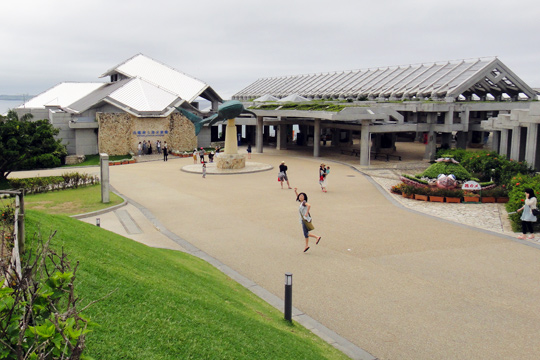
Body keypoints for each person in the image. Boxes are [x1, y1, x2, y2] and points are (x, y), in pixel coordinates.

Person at [294, 188, 321, 252]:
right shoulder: (301, 202)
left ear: (304, 198)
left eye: (302, 196)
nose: (300, 197)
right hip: (305, 219)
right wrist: (296, 192)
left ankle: (317, 237)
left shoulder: (303, 202)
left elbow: (309, 205)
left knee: (306, 233)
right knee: (306, 234)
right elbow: (298, 197)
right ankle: (306, 246)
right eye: (300, 196)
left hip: (305, 220)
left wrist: (306, 213)